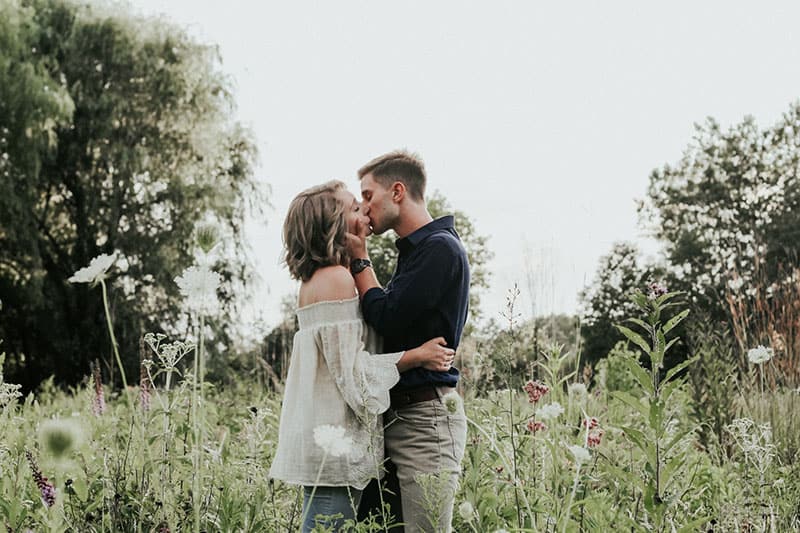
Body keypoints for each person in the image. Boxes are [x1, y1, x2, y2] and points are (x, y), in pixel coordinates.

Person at [268, 180, 456, 532]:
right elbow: (354, 376)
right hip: (335, 451)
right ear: (334, 227)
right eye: (355, 207)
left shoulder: (329, 276)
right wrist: (418, 355)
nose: (365, 211)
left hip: (332, 445)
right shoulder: (335, 279)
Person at [347, 151, 470, 532]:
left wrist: (360, 260)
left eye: (368, 196)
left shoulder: (439, 249)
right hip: (399, 417)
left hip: (425, 424)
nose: (364, 208)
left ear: (397, 191)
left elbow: (388, 318)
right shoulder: (418, 251)